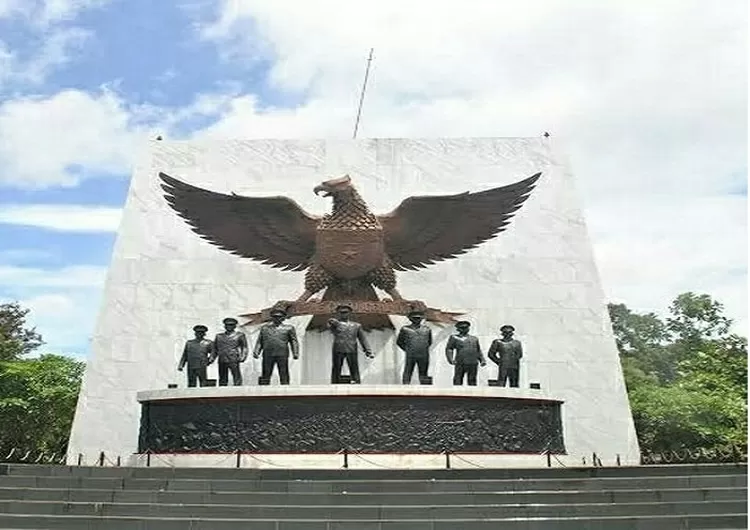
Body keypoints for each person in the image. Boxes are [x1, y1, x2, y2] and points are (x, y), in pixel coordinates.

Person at [327, 304, 373, 384]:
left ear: (349, 313)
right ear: (338, 313)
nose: (343, 314)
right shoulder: (335, 324)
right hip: (338, 349)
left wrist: (368, 350)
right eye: (341, 312)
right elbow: (330, 326)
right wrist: (332, 323)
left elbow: (362, 339)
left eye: (345, 312)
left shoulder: (356, 325)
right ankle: (334, 384)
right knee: (336, 369)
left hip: (351, 349)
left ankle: (357, 383)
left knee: (354, 369)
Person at [253, 308, 299, 385]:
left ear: (283, 318)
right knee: (266, 372)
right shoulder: (265, 328)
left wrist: (295, 352)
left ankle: (285, 388)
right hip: (268, 353)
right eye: (275, 317)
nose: (277, 318)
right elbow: (260, 341)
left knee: (283, 372)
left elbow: (294, 341)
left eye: (279, 317)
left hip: (282, 354)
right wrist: (256, 351)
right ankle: (263, 390)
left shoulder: (289, 328)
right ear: (272, 317)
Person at [396, 310, 433, 384]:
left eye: (419, 318)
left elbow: (429, 342)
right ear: (410, 319)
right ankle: (405, 388)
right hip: (411, 354)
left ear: (422, 319)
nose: (417, 320)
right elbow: (399, 342)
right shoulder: (405, 329)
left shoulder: (427, 329)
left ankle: (425, 390)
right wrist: (407, 349)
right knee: (408, 371)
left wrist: (422, 348)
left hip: (423, 354)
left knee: (424, 373)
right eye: (415, 318)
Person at [445, 320, 486, 386]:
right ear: (458, 329)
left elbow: (478, 350)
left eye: (466, 328)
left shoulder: (474, 339)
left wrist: (482, 360)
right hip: (460, 362)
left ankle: (472, 394)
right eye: (462, 328)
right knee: (458, 379)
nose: (464, 329)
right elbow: (449, 349)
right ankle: (457, 394)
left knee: (472, 380)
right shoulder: (454, 338)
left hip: (473, 362)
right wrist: (450, 359)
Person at [211, 317, 248, 386]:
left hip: (233, 358)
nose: (229, 327)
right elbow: (215, 349)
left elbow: (244, 347)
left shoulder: (240, 335)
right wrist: (212, 358)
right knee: (222, 377)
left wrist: (243, 356)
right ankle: (222, 391)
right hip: (222, 359)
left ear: (234, 326)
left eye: (231, 325)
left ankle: (238, 390)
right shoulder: (219, 336)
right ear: (225, 326)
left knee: (236, 376)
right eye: (227, 325)